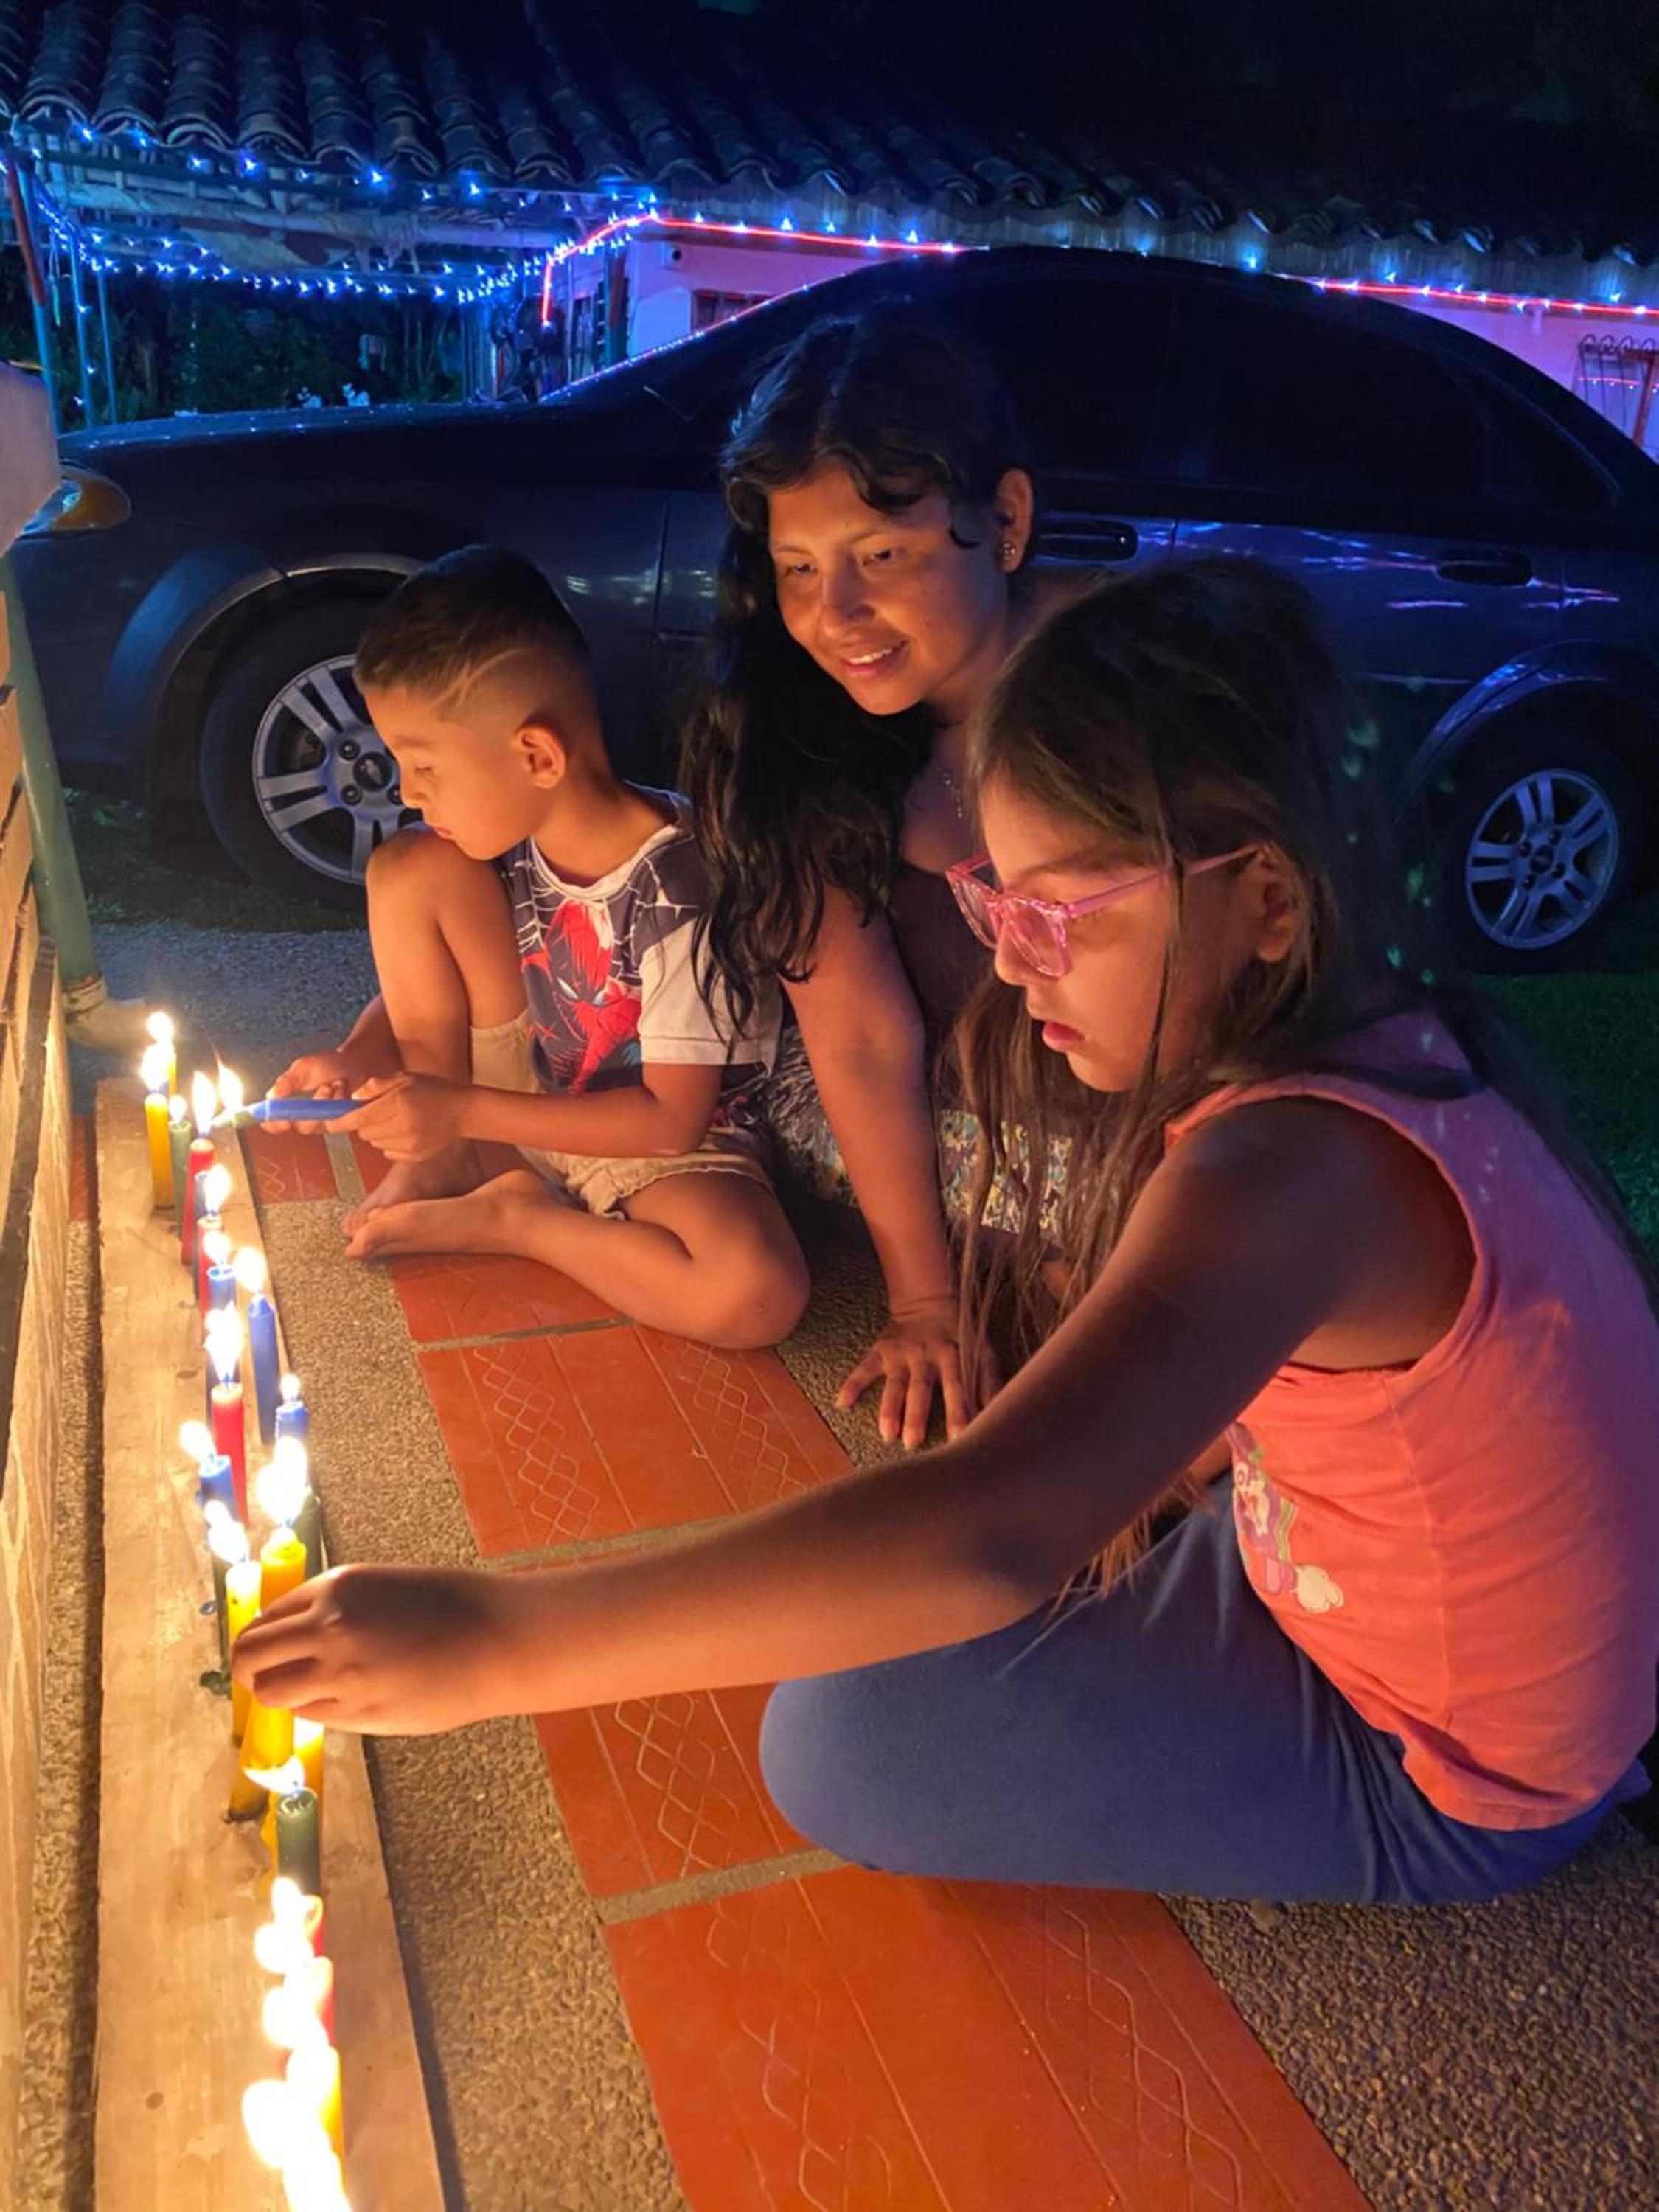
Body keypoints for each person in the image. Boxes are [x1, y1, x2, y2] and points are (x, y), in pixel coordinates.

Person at [236, 557, 1658, 1907]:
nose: (1010, 963)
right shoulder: (1377, 1049)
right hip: (1328, 1557)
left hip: (1449, 1765)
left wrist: (493, 1643)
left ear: (1270, 898)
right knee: (915, 1589)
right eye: (996, 900)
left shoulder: (1294, 1167)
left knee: (851, 1744)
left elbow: (990, 1532)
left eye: (1060, 914)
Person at [681, 307, 1060, 1450]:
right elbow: (855, 1036)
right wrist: (925, 1305)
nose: (833, 617)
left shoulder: (1118, 695)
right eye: (797, 569)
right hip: (928, 1127)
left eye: (882, 557)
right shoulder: (798, 735)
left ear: (1004, 521)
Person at [269, 545, 808, 1351]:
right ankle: (451, 1157)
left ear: (537, 756)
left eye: (424, 765)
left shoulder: (683, 883)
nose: (407, 791)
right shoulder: (509, 833)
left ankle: (518, 1220)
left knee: (753, 1295)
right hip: (522, 1094)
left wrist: (463, 1109)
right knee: (409, 867)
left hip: (661, 1147)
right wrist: (358, 1058)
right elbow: (438, 987)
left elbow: (671, 1121)